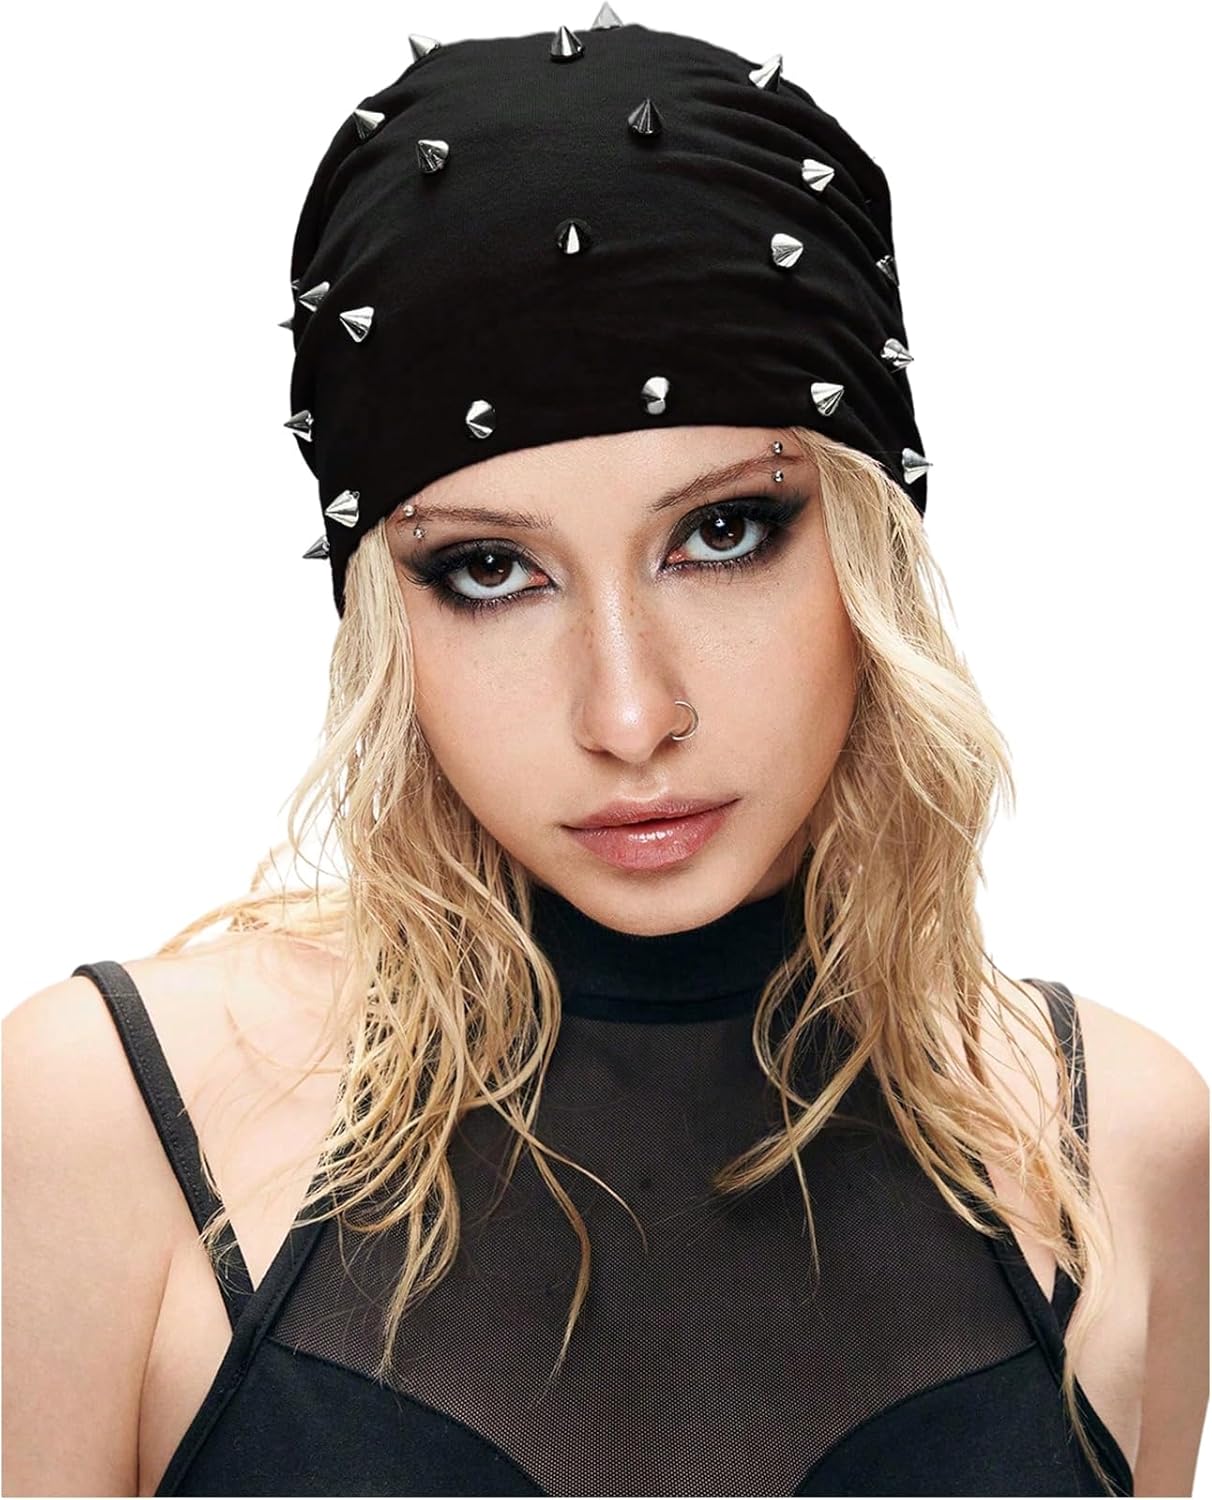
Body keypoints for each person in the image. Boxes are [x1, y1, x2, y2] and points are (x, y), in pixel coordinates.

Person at [3, 12, 1207, 1499]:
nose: (629, 717)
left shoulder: (1116, 1143)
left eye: (724, 532)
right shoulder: (113, 1129)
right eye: (491, 570)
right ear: (381, 618)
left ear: (872, 551)